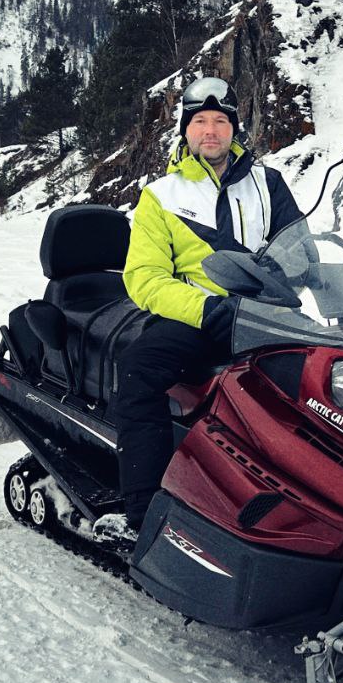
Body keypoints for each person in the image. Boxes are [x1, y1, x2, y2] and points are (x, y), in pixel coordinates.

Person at [110, 75, 302, 528]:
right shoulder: (161, 196)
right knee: (138, 369)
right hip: (200, 319)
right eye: (200, 122)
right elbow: (145, 278)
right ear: (186, 130)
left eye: (220, 120)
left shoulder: (267, 184)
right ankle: (143, 509)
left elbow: (299, 252)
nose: (211, 131)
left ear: (235, 128)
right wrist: (205, 309)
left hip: (266, 317)